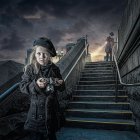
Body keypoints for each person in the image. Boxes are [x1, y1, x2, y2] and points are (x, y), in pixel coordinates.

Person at [20, 37, 65, 140]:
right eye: (39, 53)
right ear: (34, 54)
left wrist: (60, 84)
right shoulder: (30, 69)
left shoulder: (55, 69)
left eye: (45, 54)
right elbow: (22, 86)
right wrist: (36, 85)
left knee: (51, 136)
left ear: (50, 55)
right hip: (35, 115)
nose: (42, 56)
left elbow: (62, 88)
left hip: (52, 113)